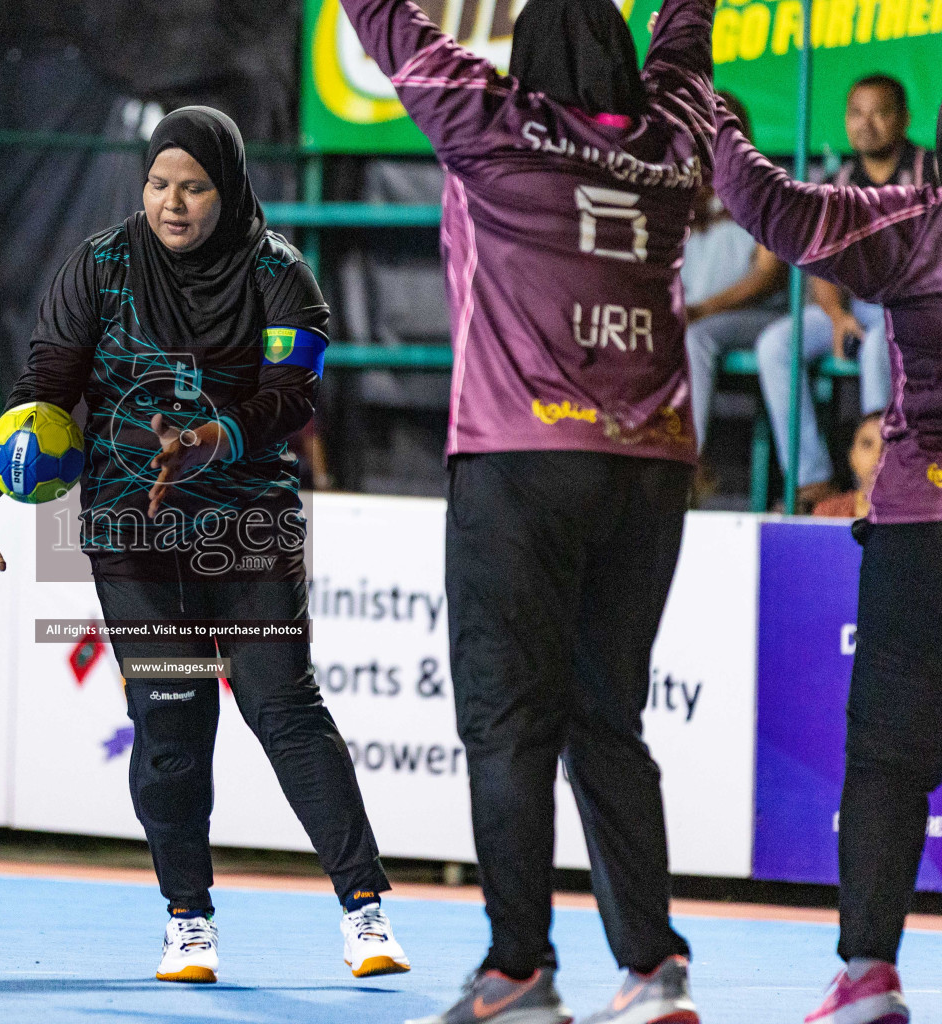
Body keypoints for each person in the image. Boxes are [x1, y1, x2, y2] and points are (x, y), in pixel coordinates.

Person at [0, 106, 411, 985]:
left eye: (193, 186)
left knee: (282, 705)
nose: (173, 202)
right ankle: (188, 920)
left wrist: (211, 440)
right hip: (131, 530)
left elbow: (291, 400)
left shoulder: (281, 275)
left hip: (248, 525)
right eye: (159, 183)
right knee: (171, 724)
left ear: (227, 189)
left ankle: (364, 911)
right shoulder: (100, 265)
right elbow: (45, 390)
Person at [338, 0, 717, 1020]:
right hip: (649, 470)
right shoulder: (678, 129)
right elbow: (688, 30)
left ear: (527, 57)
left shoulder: (493, 121)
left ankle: (519, 969)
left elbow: (385, 20)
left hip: (521, 459)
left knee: (508, 720)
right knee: (608, 719)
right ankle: (653, 969)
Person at [714, 91, 942, 1024]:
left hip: (923, 526)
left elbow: (767, 204)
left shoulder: (922, 226)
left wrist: (710, 114)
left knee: (888, 755)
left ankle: (868, 977)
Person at [752, 74, 936, 511]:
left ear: (905, 118)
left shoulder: (930, 169)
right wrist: (836, 315)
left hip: (912, 307)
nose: (866, 123)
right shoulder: (841, 179)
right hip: (855, 305)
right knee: (776, 344)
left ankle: (879, 480)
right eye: (856, 113)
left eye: (880, 112)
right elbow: (822, 261)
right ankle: (811, 481)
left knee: (878, 348)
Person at [683, 92, 786, 456]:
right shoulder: (678, 185)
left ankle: (685, 464)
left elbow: (766, 275)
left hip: (756, 316)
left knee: (694, 337)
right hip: (689, 313)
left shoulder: (763, 185)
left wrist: (703, 309)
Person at [812, 413, 884, 519]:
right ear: (852, 457)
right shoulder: (829, 513)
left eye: (889, 445)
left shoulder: (916, 515)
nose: (878, 455)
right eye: (867, 444)